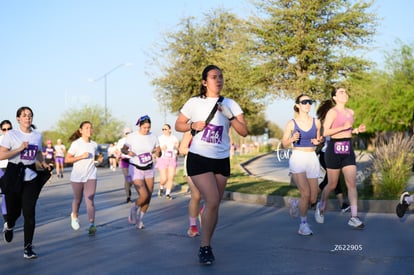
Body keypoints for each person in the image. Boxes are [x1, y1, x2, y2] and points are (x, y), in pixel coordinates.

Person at [175, 65, 248, 265]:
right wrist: (192, 125)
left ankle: (206, 239)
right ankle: (205, 247)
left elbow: (244, 132)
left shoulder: (231, 104)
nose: (219, 80)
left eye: (221, 77)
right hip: (199, 157)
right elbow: (178, 124)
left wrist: (230, 116)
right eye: (214, 77)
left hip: (221, 159)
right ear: (204, 82)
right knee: (213, 200)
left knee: (213, 205)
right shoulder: (194, 103)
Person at [0, 107, 52, 259]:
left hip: (30, 177)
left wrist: (43, 164)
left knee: (29, 212)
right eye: (24, 115)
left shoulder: (37, 136)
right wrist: (19, 149)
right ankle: (9, 225)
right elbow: (1, 155)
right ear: (18, 119)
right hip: (13, 175)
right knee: (13, 212)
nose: (27, 118)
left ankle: (28, 247)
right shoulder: (11, 134)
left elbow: (38, 153)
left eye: (30, 115)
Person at [314, 86, 366, 229]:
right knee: (331, 184)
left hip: (347, 148)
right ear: (335, 97)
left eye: (345, 92)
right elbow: (326, 132)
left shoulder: (351, 112)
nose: (344, 94)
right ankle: (321, 205)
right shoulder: (332, 112)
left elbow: (348, 130)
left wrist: (356, 130)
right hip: (334, 149)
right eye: (340, 92)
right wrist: (343, 127)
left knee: (351, 183)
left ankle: (354, 217)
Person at [282, 94, 323, 236]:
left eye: (310, 102)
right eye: (304, 102)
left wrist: (318, 142)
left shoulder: (316, 122)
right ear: (298, 105)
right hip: (298, 157)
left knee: (312, 198)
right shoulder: (292, 123)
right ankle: (303, 225)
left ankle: (295, 203)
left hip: (312, 157)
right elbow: (284, 143)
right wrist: (292, 138)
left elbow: (319, 139)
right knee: (305, 193)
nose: (307, 104)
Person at [122, 115, 161, 229]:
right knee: (143, 195)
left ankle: (140, 219)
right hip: (135, 168)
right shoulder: (132, 136)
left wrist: (158, 152)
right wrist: (128, 153)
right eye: (144, 127)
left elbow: (158, 151)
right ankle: (134, 208)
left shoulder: (153, 136)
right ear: (139, 126)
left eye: (148, 127)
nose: (146, 130)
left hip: (149, 168)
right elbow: (123, 149)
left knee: (148, 196)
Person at [64, 121, 98, 235]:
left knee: (90, 199)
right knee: (78, 199)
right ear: (81, 130)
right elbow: (67, 159)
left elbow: (95, 158)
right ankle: (74, 215)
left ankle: (92, 224)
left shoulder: (94, 144)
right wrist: (81, 156)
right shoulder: (76, 144)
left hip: (91, 175)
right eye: (86, 128)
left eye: (90, 127)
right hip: (77, 177)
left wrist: (99, 160)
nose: (89, 130)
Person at [178, 131, 202, 237]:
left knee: (212, 196)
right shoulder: (191, 130)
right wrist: (199, 152)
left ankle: (202, 211)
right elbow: (182, 150)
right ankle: (193, 226)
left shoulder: (212, 127)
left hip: (209, 163)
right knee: (196, 195)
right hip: (192, 163)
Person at [156, 124, 179, 200]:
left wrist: (176, 147)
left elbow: (177, 148)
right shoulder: (159, 138)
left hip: (172, 158)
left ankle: (168, 193)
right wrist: (161, 148)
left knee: (171, 177)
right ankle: (161, 187)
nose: (164, 131)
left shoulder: (174, 138)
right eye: (162, 129)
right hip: (163, 159)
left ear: (170, 129)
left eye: (165, 129)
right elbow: (156, 149)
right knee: (164, 178)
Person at [0, 120, 13, 222]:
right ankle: (6, 220)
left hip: (12, 168)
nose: (7, 131)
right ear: (1, 130)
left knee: (9, 194)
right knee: (4, 194)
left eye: (9, 129)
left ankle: (8, 219)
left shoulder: (16, 141)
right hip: (1, 169)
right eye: (4, 129)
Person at [117, 127, 133, 203]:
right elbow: (118, 150)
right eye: (127, 133)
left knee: (132, 180)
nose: (128, 135)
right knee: (127, 178)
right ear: (124, 134)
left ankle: (128, 188)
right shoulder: (121, 141)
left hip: (133, 161)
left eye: (130, 133)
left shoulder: (134, 140)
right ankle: (128, 196)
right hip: (125, 160)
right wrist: (118, 155)